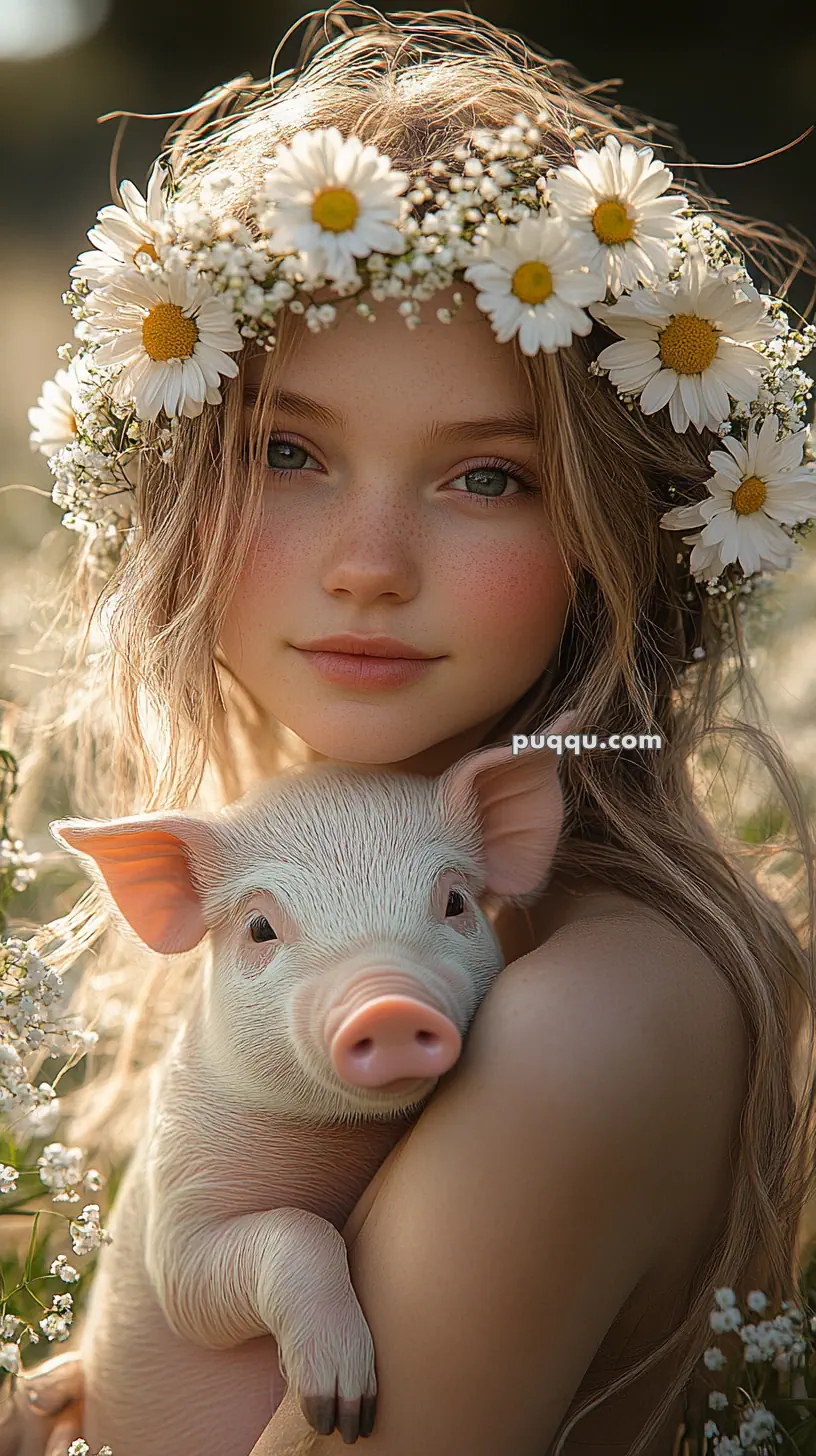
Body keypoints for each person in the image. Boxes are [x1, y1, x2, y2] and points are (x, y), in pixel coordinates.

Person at [2, 6, 815, 1453]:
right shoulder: (351, 881)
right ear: (174, 479)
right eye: (287, 452)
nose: (367, 563)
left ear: (626, 527)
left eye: (489, 478)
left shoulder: (580, 1026)